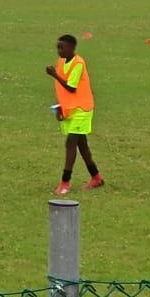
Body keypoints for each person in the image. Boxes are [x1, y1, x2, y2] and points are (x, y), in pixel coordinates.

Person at [48, 34, 103, 196]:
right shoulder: (61, 62)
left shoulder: (78, 63)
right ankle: (96, 177)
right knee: (82, 145)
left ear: (72, 48)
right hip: (70, 109)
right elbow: (61, 90)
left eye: (62, 47)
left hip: (82, 109)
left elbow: (71, 87)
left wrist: (54, 75)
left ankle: (65, 182)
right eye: (57, 47)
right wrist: (59, 108)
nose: (59, 51)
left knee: (70, 142)